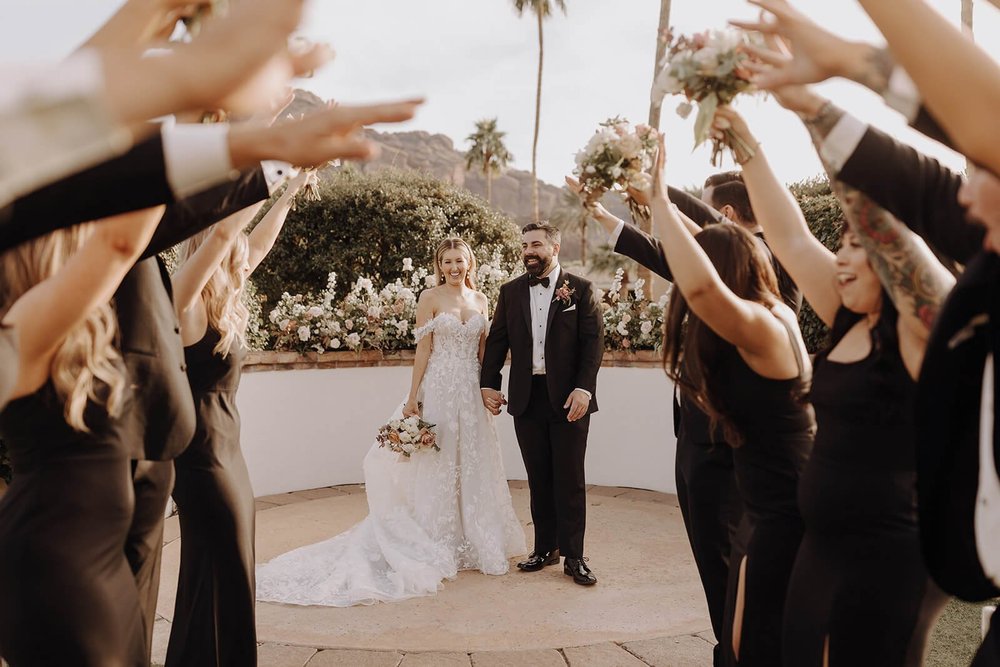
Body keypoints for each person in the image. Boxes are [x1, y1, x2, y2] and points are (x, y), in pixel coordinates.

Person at [713, 100, 955, 665]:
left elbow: (883, 227)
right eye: (841, 243)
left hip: (887, 555)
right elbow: (791, 237)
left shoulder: (926, 332)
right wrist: (746, 142)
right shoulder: (851, 316)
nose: (842, 258)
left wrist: (812, 108)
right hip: (821, 546)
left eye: (858, 246)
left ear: (895, 258)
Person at [256, 238, 525, 606]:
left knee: (474, 461)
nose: (453, 267)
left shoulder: (480, 301)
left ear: (470, 263)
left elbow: (483, 353)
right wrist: (413, 396)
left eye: (459, 260)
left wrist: (488, 389)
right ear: (439, 265)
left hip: (470, 393)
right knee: (438, 463)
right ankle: (436, 539)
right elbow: (424, 350)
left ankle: (477, 539)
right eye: (447, 261)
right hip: (440, 391)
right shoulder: (429, 298)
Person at [648, 135, 815, 666]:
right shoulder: (762, 317)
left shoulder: (767, 325)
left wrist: (657, 196)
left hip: (782, 511)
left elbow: (701, 290)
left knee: (761, 641)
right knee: (743, 640)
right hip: (766, 506)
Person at [566, 174, 740, 663]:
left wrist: (657, 190)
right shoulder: (712, 266)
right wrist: (604, 213)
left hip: (731, 445)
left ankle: (740, 650)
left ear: (724, 218)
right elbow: (655, 251)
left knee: (732, 563)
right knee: (713, 562)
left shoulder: (753, 271)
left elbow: (681, 247)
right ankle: (729, 647)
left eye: (703, 213)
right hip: (693, 437)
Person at [0, 207, 162, 664]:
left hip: (99, 562)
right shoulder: (19, 330)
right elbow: (122, 241)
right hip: (55, 570)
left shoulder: (66, 327)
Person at [162, 172, 309, 665]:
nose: (246, 249)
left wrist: (291, 191)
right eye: (235, 241)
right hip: (201, 459)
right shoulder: (184, 304)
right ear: (215, 242)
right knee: (222, 569)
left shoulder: (222, 299)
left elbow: (258, 245)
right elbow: (230, 235)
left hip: (229, 456)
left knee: (224, 570)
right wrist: (275, 169)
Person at [480, 223, 604, 586]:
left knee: (570, 478)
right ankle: (545, 548)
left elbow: (593, 345)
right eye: (524, 246)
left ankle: (574, 556)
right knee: (539, 477)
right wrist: (489, 383)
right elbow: (498, 340)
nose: (529, 251)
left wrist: (584, 389)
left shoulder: (581, 290)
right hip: (526, 397)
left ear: (555, 246)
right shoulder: (510, 291)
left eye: (536, 244)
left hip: (569, 400)